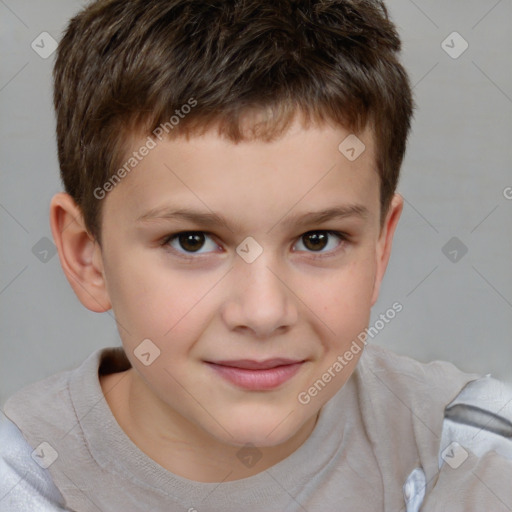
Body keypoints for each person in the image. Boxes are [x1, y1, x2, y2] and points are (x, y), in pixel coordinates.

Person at [1, 1, 512, 510]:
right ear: (87, 255)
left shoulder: (467, 449)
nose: (264, 312)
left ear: (380, 248)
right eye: (193, 241)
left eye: (318, 239)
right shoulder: (22, 479)